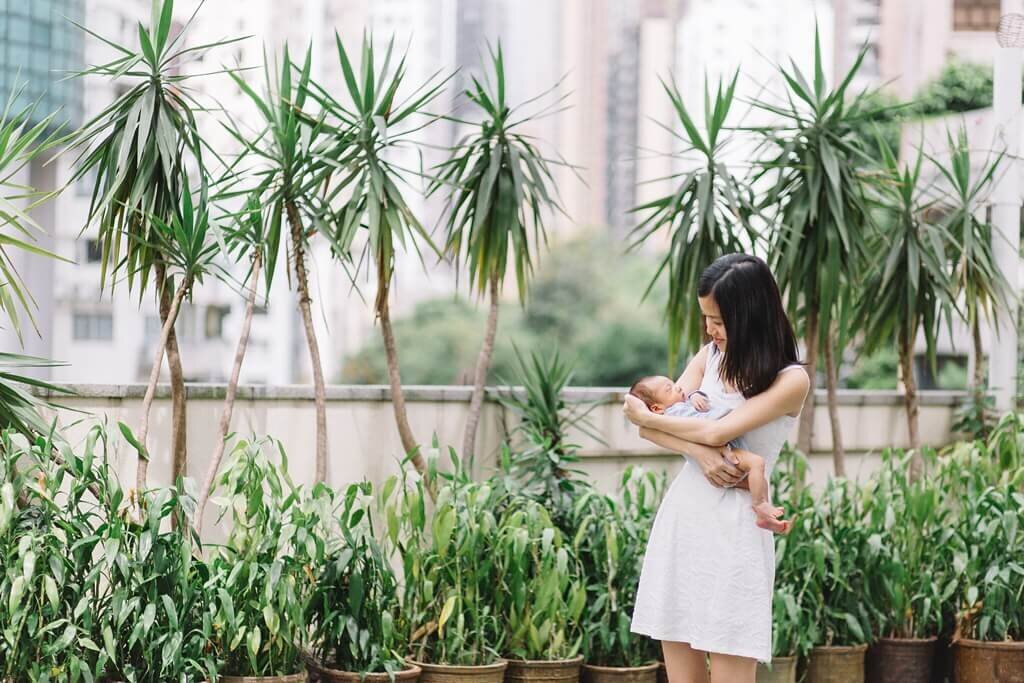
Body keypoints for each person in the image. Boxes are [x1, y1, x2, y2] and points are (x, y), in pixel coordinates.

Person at [624, 253, 809, 683]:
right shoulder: (709, 356)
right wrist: (701, 456)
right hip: (686, 518)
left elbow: (704, 430)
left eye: (721, 321)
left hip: (737, 528)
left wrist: (647, 418)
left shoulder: (789, 379)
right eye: (707, 318)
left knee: (730, 667)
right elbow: (663, 428)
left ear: (753, 317)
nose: (710, 330)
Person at [627, 375, 790, 534]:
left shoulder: (678, 408)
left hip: (717, 464)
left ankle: (766, 517)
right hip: (724, 454)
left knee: (758, 483)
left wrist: (694, 395)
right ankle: (760, 506)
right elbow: (706, 424)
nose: (678, 387)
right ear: (656, 408)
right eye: (669, 389)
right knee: (757, 463)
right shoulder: (674, 413)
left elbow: (691, 410)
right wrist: (732, 416)